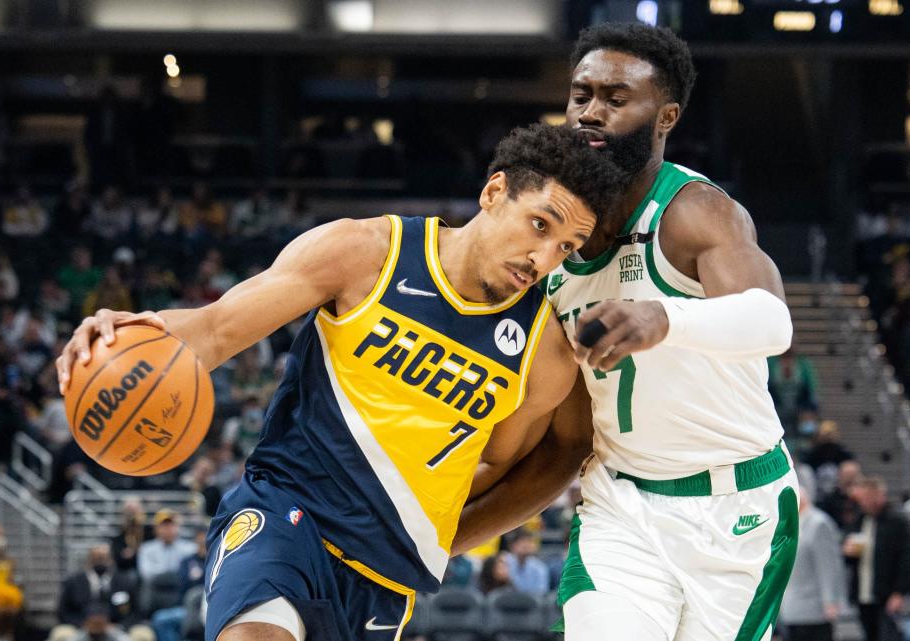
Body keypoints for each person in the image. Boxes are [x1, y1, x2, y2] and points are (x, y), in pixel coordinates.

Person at [55, 123, 623, 641]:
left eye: (565, 248)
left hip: (385, 574)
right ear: (494, 192)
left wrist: (447, 540)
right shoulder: (366, 252)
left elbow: (505, 465)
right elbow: (215, 329)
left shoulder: (543, 349)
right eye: (540, 225)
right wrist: (130, 333)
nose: (543, 257)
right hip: (284, 514)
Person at [454, 23, 798, 641]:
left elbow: (771, 322)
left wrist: (663, 316)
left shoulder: (694, 212)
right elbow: (565, 443)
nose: (591, 111)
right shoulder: (551, 248)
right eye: (581, 94)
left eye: (616, 99)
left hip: (738, 509)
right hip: (621, 507)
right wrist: (442, 539)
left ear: (664, 116)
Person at [843, 476, 910, 641]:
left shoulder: (897, 522)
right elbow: (849, 551)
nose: (866, 502)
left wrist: (899, 592)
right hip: (863, 592)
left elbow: (906, 560)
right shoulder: (860, 520)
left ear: (880, 496)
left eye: (870, 497)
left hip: (887, 592)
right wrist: (847, 551)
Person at [779, 466, 845, 641]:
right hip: (792, 608)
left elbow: (828, 565)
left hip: (814, 608)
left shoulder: (819, 524)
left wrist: (830, 600)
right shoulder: (791, 524)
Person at [58, 545, 138, 628]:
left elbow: (135, 611)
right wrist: (81, 624)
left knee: (142, 634)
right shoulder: (74, 581)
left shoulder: (124, 581)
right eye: (97, 558)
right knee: (62, 634)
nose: (100, 562)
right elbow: (63, 612)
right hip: (81, 627)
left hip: (117, 627)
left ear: (111, 559)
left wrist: (121, 625)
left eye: (103, 558)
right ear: (89, 560)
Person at [136, 510, 197, 583]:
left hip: (181, 589)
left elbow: (194, 573)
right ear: (156, 528)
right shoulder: (146, 549)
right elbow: (145, 574)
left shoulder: (190, 548)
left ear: (178, 527)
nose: (168, 529)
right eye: (164, 525)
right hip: (155, 588)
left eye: (172, 525)